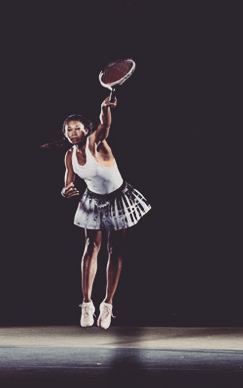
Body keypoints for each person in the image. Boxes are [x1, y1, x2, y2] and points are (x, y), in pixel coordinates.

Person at [61, 96, 151, 329]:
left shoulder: (96, 143)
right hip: (93, 199)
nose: (73, 133)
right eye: (69, 130)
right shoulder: (69, 155)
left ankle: (108, 304)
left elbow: (105, 125)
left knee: (115, 248)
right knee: (91, 246)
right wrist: (66, 190)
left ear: (86, 130)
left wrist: (104, 109)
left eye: (77, 128)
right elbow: (68, 181)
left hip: (118, 197)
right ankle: (87, 304)